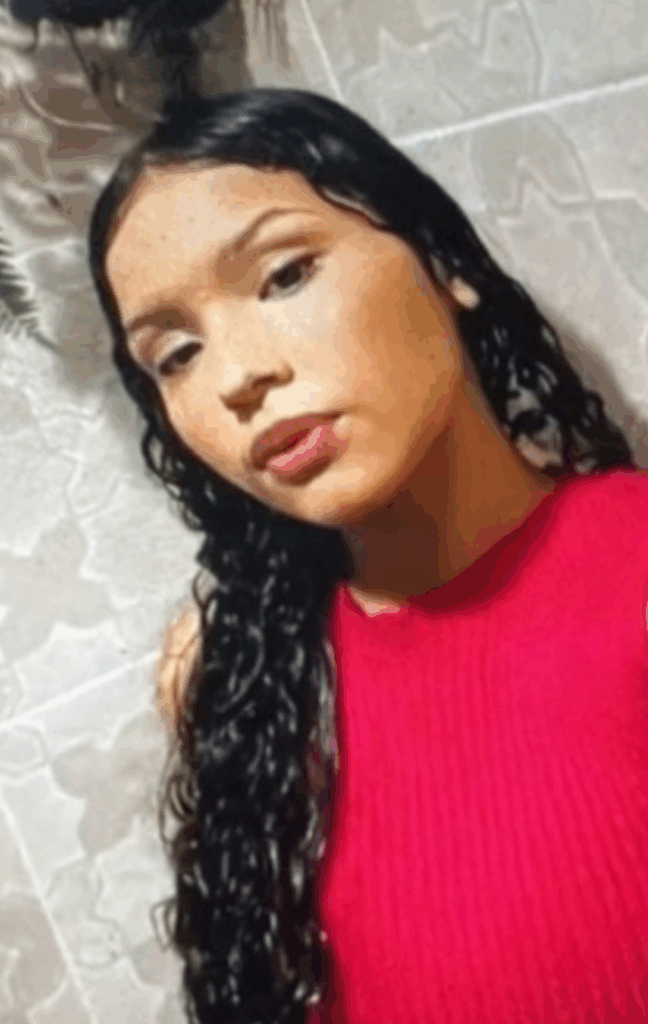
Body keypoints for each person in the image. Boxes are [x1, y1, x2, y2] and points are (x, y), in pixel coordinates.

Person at [88, 87, 648, 1024]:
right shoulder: (244, 687)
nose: (237, 376)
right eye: (176, 354)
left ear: (439, 260)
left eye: (283, 276)